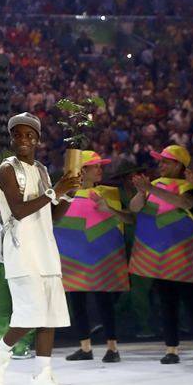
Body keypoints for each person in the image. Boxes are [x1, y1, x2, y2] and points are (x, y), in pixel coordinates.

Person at [0, 113, 81, 385]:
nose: (23, 140)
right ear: (11, 139)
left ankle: (42, 379)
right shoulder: (7, 170)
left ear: (37, 139)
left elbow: (52, 215)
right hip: (21, 251)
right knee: (32, 312)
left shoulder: (44, 171)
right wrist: (54, 191)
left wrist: (69, 194)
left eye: (28, 135)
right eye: (17, 135)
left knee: (49, 315)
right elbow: (20, 212)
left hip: (46, 249)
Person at [129, 145, 193, 364]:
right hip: (162, 253)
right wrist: (141, 193)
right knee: (166, 302)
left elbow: (184, 203)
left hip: (190, 254)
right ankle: (171, 349)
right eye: (160, 162)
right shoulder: (154, 186)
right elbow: (134, 208)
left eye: (166, 161)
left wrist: (151, 188)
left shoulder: (189, 186)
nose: (161, 165)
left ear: (179, 165)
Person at [55, 151, 132, 363]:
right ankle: (85, 348)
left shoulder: (109, 193)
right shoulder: (65, 195)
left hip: (102, 258)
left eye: (100, 166)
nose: (100, 170)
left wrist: (109, 209)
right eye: (95, 166)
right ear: (82, 170)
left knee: (104, 302)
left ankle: (112, 348)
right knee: (76, 301)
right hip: (73, 258)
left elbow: (127, 219)